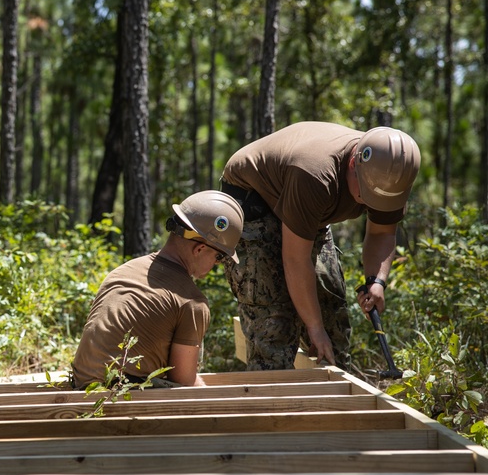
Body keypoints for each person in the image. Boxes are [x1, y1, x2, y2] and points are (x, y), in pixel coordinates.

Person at [220, 121, 420, 371]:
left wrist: (376, 281)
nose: (373, 202)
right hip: (254, 198)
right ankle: (272, 393)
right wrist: (313, 328)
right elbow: (295, 259)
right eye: (368, 194)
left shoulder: (394, 174)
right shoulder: (315, 174)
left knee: (331, 325)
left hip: (307, 208)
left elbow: (382, 232)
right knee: (275, 323)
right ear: (352, 165)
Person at [71, 190, 244, 389]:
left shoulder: (123, 270)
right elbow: (184, 382)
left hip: (80, 387)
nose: (216, 265)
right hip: (120, 396)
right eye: (219, 258)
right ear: (200, 249)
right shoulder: (191, 301)